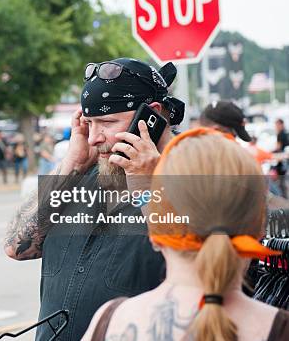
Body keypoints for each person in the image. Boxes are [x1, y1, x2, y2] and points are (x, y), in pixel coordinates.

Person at [4, 58, 186, 341]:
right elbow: (17, 248)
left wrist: (150, 189)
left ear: (151, 116)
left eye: (107, 122)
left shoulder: (189, 181)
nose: (93, 138)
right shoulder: (81, 174)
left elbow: (202, 273)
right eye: (89, 123)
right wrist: (71, 166)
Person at [83, 128, 289, 341]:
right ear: (259, 231)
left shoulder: (110, 322)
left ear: (155, 233)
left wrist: (145, 194)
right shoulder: (277, 328)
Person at [274, 119, 288, 198]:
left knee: (281, 180)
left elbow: (278, 147)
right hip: (285, 158)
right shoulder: (286, 133)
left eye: (277, 125)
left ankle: (283, 197)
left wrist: (270, 153)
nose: (276, 127)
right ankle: (284, 196)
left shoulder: (280, 134)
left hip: (281, 159)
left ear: (281, 124)